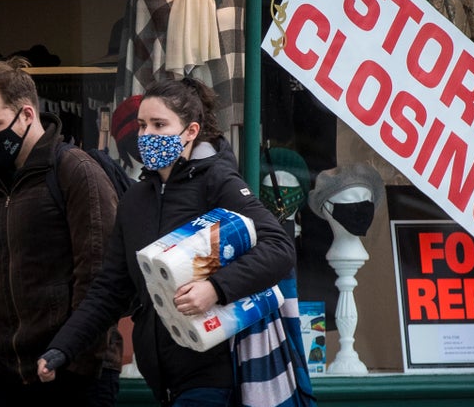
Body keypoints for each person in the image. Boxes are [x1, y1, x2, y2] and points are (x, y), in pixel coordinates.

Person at [38, 77, 315, 407]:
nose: (147, 135)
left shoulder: (217, 182)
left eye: (159, 124)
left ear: (191, 131)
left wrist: (215, 288)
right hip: (163, 380)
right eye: (142, 125)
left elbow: (278, 247)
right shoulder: (134, 201)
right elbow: (110, 289)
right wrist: (61, 348)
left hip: (216, 375)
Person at [0, 57, 122, 407]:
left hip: (70, 373)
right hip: (2, 372)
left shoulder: (75, 171)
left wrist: (73, 357)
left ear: (27, 115)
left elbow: (98, 276)